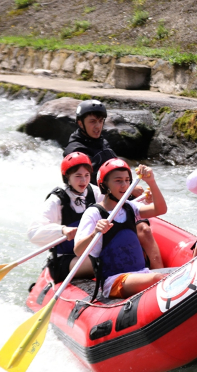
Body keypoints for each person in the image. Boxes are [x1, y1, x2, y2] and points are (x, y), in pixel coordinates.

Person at [64, 99, 163, 269]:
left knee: (144, 229)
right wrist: (126, 191)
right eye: (92, 122)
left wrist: (129, 187)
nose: (98, 126)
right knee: (144, 230)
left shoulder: (101, 142)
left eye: (101, 121)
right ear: (80, 123)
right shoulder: (75, 151)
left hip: (117, 201)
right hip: (98, 209)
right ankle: (158, 275)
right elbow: (87, 185)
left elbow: (116, 172)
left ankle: (159, 273)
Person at [74, 159, 168, 300]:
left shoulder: (130, 207)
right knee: (158, 279)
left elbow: (160, 209)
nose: (124, 185)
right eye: (118, 180)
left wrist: (151, 182)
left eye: (127, 180)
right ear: (105, 185)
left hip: (141, 273)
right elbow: (78, 250)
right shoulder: (94, 213)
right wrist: (95, 233)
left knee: (171, 277)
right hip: (114, 281)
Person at [27, 152, 100, 283]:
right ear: (67, 177)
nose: (83, 181)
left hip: (89, 252)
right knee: (100, 261)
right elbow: (33, 233)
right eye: (78, 176)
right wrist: (62, 230)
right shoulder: (57, 200)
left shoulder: (95, 192)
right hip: (64, 260)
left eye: (87, 175)